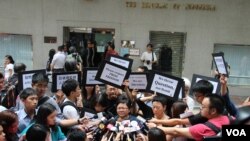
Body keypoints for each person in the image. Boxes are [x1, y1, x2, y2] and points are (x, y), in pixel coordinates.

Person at [147, 94, 232, 141]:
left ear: (213, 111)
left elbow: (175, 131)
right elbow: (178, 121)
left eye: (203, 106)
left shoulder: (202, 128)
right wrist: (157, 121)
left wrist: (155, 127)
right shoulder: (230, 119)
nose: (200, 108)